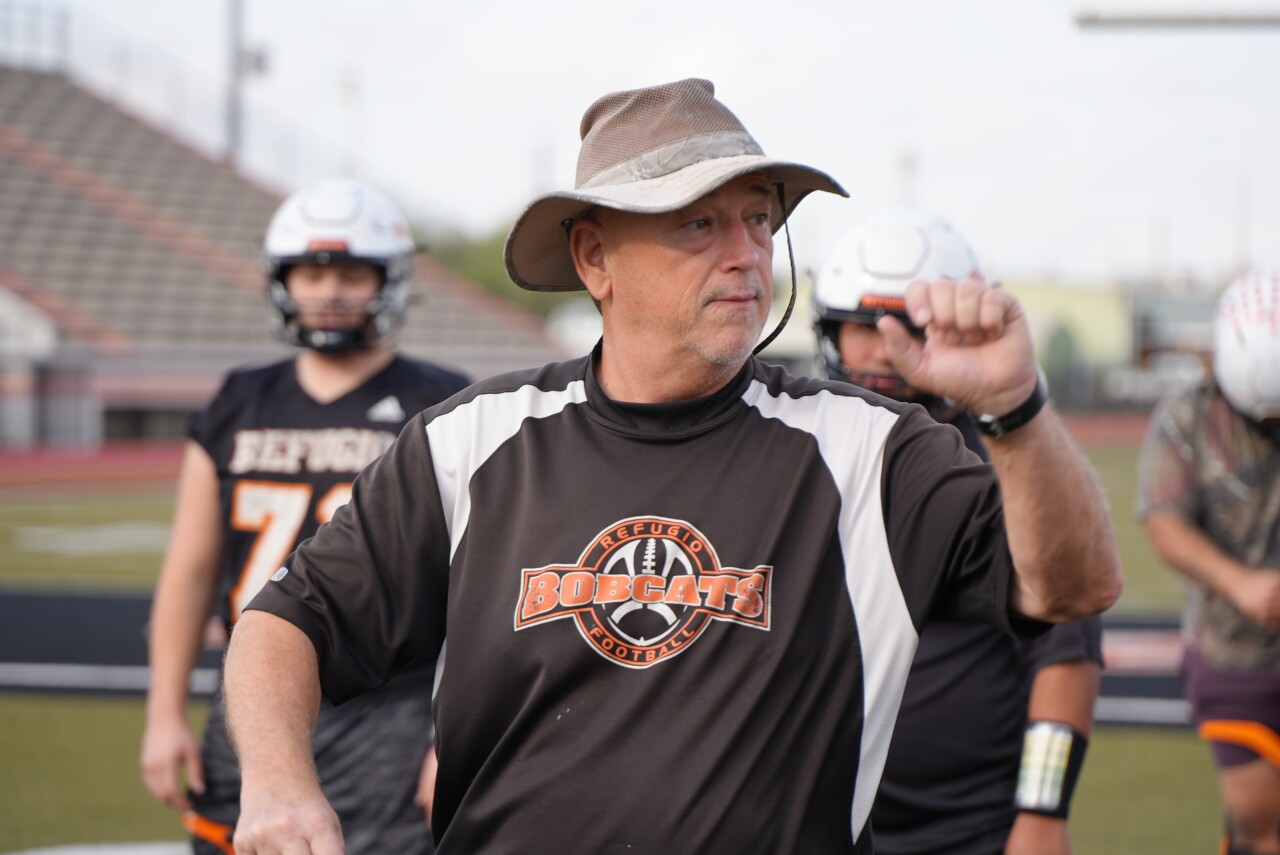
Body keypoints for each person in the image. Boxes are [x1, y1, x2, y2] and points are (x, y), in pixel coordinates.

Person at [222, 78, 1122, 854]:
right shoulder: (469, 444)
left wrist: (1018, 412)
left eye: (759, 220)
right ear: (593, 256)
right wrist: (277, 780)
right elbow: (287, 621)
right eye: (699, 223)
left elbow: (1072, 588)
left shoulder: (871, 452)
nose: (747, 255)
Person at [139, 177, 470, 854]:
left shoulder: (444, 405)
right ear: (280, 279)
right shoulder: (238, 401)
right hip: (253, 703)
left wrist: (455, 733)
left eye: (352, 270)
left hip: (391, 714)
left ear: (391, 278)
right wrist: (163, 709)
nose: (330, 290)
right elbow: (192, 566)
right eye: (310, 271)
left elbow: (476, 584)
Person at [812, 207, 1104, 855]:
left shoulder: (1013, 468)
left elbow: (1066, 656)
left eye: (910, 325)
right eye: (863, 325)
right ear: (829, 331)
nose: (885, 347)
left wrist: (1044, 810)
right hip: (824, 821)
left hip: (973, 828)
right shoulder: (801, 452)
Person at [1138, 270, 1280, 855]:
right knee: (1258, 826)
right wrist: (1239, 582)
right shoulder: (1188, 418)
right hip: (1234, 655)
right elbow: (1162, 519)